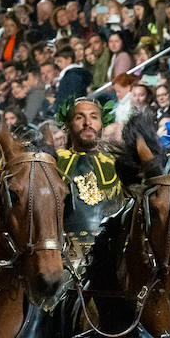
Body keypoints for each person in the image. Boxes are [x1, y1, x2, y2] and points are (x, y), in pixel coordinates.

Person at [56, 97, 123, 253]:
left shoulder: (120, 164)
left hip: (110, 256)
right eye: (79, 117)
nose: (88, 123)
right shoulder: (54, 162)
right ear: (67, 125)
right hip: (66, 257)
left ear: (102, 124)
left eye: (94, 117)